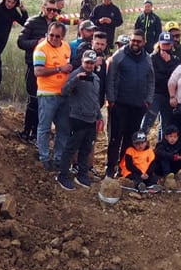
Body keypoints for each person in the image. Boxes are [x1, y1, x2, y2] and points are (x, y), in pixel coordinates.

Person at [105, 30, 154, 177]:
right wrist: (111, 99)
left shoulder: (147, 58)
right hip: (119, 104)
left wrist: (148, 100)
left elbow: (151, 80)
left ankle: (123, 167)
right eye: (133, 40)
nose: (135, 43)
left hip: (138, 106)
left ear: (143, 43)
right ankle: (110, 167)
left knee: (129, 138)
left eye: (138, 41)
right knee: (115, 137)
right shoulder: (119, 55)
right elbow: (111, 78)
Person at [55, 50, 104, 191]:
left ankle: (82, 174)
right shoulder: (76, 74)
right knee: (71, 148)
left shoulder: (95, 78)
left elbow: (95, 100)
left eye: (92, 63)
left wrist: (99, 116)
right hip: (77, 118)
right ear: (82, 62)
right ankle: (62, 175)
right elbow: (64, 91)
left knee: (86, 148)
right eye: (87, 62)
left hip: (91, 119)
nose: (89, 65)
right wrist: (76, 79)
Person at [16, 0, 62, 141]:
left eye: (55, 10)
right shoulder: (33, 22)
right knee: (33, 99)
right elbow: (20, 41)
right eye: (49, 9)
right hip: (34, 65)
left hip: (50, 69)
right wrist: (37, 42)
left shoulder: (57, 25)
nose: (52, 12)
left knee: (44, 101)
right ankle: (26, 131)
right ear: (43, 8)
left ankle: (37, 133)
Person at [33, 21, 72, 171]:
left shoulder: (66, 47)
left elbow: (68, 66)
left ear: (63, 36)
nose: (54, 38)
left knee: (63, 128)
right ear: (47, 34)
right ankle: (44, 157)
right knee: (44, 127)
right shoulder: (41, 49)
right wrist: (59, 69)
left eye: (58, 36)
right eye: (52, 35)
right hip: (47, 93)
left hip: (63, 94)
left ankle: (59, 158)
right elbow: (38, 71)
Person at [144, 32, 181, 134]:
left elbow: (176, 77)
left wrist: (169, 63)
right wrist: (167, 72)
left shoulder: (175, 60)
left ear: (172, 45)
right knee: (148, 122)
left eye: (168, 44)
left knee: (166, 125)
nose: (166, 47)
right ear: (159, 44)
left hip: (168, 95)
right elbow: (155, 78)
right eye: (164, 44)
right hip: (155, 94)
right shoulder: (152, 58)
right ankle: (140, 142)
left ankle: (162, 147)